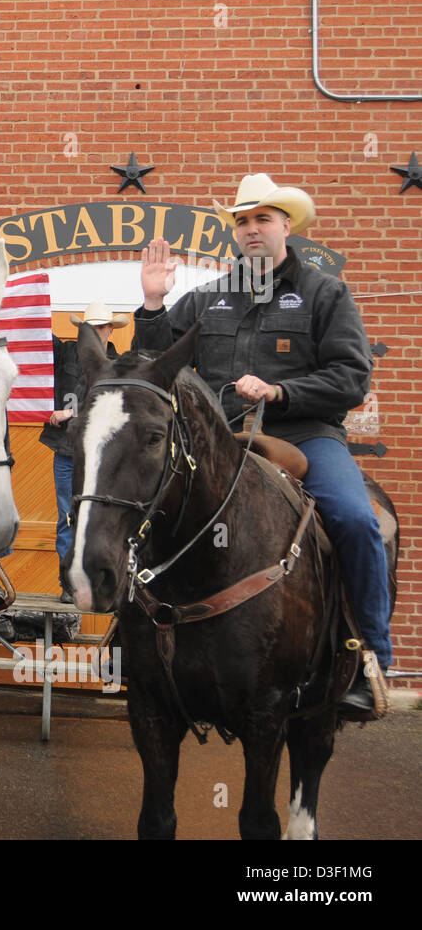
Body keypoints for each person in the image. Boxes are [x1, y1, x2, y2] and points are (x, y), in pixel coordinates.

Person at [133, 173, 390, 716]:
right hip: (223, 442)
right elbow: (155, 365)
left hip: (305, 436)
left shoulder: (326, 292)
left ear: (286, 226)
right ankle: (131, 646)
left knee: (357, 520)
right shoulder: (208, 299)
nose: (251, 229)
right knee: (142, 506)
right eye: (243, 221)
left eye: (262, 219)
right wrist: (154, 304)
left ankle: (368, 659)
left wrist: (281, 390)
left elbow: (352, 377)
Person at [41, 302, 127, 602]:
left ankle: (103, 582)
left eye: (99, 327)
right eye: (87, 328)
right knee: (67, 517)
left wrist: (69, 413)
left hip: (103, 456)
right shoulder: (66, 352)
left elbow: (111, 406)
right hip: (67, 452)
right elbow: (36, 338)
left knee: (103, 517)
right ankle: (70, 584)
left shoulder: (120, 364)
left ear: (109, 330)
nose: (93, 333)